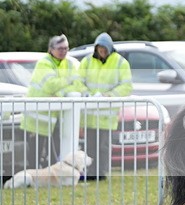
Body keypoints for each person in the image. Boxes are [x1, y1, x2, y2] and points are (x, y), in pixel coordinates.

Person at [20, 34, 83, 168]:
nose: (63, 51)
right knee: (35, 150)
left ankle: (52, 176)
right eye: (60, 48)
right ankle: (33, 174)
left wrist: (60, 91)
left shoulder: (70, 64)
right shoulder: (44, 63)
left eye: (66, 48)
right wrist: (68, 81)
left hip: (54, 116)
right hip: (37, 116)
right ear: (51, 49)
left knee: (55, 149)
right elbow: (50, 85)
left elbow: (78, 85)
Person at [78, 32, 133, 180]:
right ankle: (89, 173)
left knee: (103, 147)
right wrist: (87, 94)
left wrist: (109, 95)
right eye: (99, 49)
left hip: (107, 115)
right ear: (96, 49)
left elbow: (126, 86)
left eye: (104, 50)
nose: (102, 52)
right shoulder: (87, 61)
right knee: (89, 146)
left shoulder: (120, 63)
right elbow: (78, 81)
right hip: (89, 114)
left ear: (109, 48)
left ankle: (101, 173)